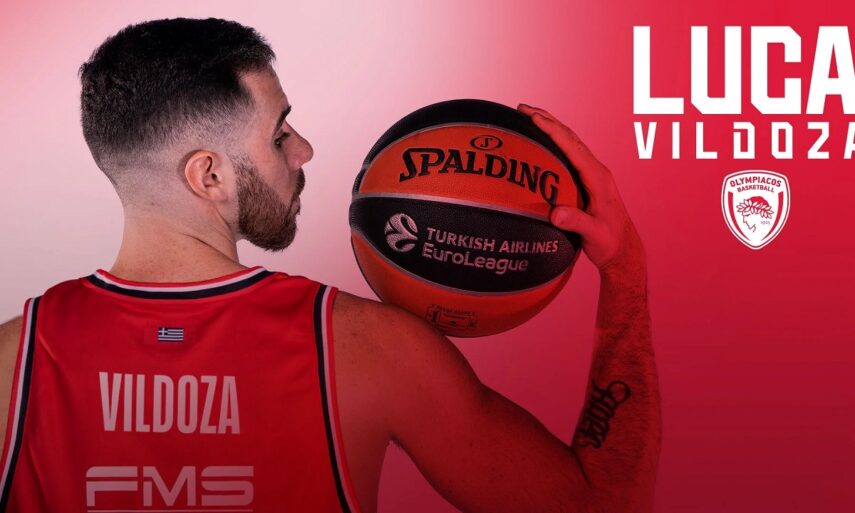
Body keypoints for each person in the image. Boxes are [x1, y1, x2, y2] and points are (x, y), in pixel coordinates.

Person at [0, 18, 660, 513]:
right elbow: (601, 503)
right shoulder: (364, 349)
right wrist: (625, 272)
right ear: (208, 175)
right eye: (279, 133)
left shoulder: (12, 363)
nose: (304, 150)